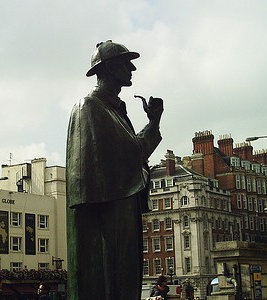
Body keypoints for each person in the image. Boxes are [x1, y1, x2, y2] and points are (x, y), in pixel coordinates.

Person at [66, 40, 163, 300]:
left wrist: (153, 122)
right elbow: (126, 158)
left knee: (128, 278)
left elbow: (132, 153)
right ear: (107, 68)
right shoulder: (89, 107)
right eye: (124, 62)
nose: (131, 68)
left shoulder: (115, 110)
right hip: (108, 210)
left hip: (123, 203)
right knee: (114, 280)